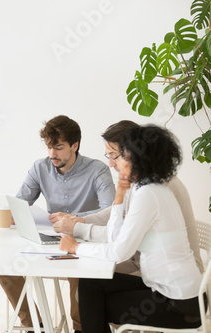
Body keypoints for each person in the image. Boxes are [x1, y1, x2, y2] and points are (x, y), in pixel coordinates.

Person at [60, 125, 203, 332]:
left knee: (94, 305)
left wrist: (76, 248)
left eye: (117, 156)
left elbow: (119, 252)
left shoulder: (150, 194)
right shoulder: (144, 186)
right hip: (162, 287)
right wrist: (118, 198)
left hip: (181, 304)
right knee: (90, 284)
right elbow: (115, 237)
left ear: (137, 158)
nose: (112, 163)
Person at [0, 115, 116, 332]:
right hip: (49, 239)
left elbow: (112, 211)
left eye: (59, 147)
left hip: (84, 240)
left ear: (75, 145)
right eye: (49, 147)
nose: (52, 154)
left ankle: (80, 327)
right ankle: (34, 324)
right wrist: (17, 213)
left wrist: (74, 218)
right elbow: (21, 202)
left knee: (79, 272)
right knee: (4, 267)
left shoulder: (98, 169)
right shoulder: (39, 168)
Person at [52, 120, 203, 275]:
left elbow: (120, 239)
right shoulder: (141, 179)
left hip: (171, 272)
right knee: (89, 278)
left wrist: (78, 231)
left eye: (114, 156)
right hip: (144, 262)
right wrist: (82, 220)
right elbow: (120, 212)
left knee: (93, 279)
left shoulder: (155, 187)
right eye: (108, 156)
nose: (110, 164)